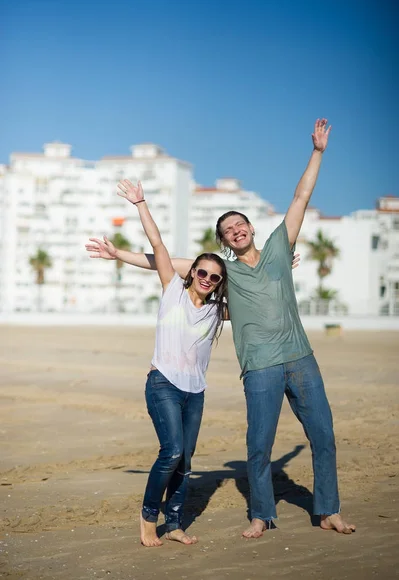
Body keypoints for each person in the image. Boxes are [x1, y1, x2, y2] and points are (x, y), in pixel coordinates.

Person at [86, 118, 355, 538]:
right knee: (258, 448)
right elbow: (163, 259)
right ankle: (261, 515)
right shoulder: (221, 274)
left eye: (240, 224)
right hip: (260, 368)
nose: (236, 230)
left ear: (251, 228)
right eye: (228, 230)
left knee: (323, 435)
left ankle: (328, 510)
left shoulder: (280, 249)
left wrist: (318, 152)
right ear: (225, 241)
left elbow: (302, 196)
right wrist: (117, 253)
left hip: (301, 358)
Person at [114, 179, 228, 547]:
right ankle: (149, 518)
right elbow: (158, 245)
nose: (208, 279)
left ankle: (175, 523)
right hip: (163, 383)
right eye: (202, 272)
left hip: (196, 392)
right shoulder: (172, 292)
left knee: (186, 460)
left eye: (215, 277)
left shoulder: (218, 312)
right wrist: (141, 202)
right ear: (191, 272)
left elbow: (258, 297)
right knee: (172, 450)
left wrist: (280, 269)